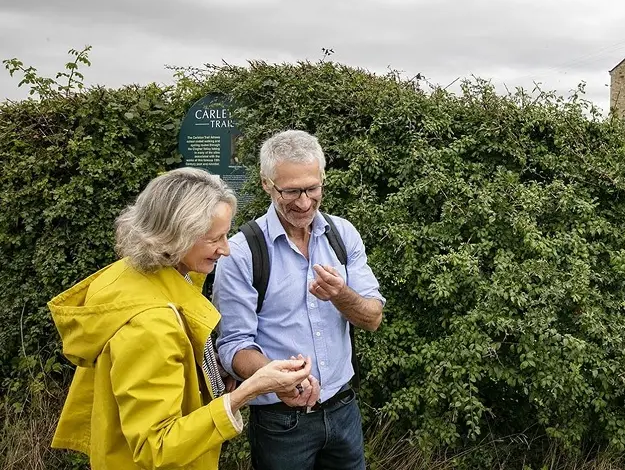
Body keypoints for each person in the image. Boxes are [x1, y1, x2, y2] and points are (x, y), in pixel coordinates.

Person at [48, 167, 317, 469]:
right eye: (215, 238)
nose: (225, 249)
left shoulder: (135, 276)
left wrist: (208, 375)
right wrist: (249, 390)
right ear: (174, 236)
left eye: (226, 234)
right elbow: (157, 447)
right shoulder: (150, 325)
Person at [213, 129, 385, 470]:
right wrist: (279, 380)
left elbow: (372, 317)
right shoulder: (241, 253)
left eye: (311, 188)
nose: (304, 202)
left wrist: (341, 295)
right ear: (266, 183)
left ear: (322, 179)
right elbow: (233, 346)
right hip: (280, 422)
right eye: (290, 191)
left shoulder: (343, 234)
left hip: (343, 407)